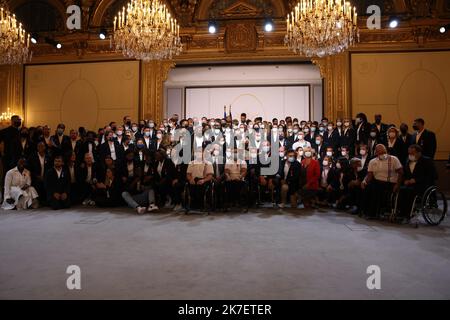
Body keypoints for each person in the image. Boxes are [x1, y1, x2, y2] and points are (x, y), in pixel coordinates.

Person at [361, 144, 403, 219]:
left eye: (383, 152)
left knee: (375, 189)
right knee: (367, 188)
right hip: (377, 181)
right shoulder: (372, 161)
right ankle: (365, 211)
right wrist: (364, 181)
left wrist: (398, 184)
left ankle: (373, 213)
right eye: (379, 153)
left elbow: (400, 172)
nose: (382, 154)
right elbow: (369, 175)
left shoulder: (393, 159)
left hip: (390, 182)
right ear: (376, 153)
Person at [397, 145, 437, 220]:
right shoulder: (408, 160)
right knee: (401, 190)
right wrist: (405, 180)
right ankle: (400, 212)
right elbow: (405, 173)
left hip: (423, 185)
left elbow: (432, 175)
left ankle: (407, 213)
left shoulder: (427, 161)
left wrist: (416, 180)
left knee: (410, 192)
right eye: (409, 154)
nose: (410, 155)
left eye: (412, 153)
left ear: (419, 153)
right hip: (410, 185)